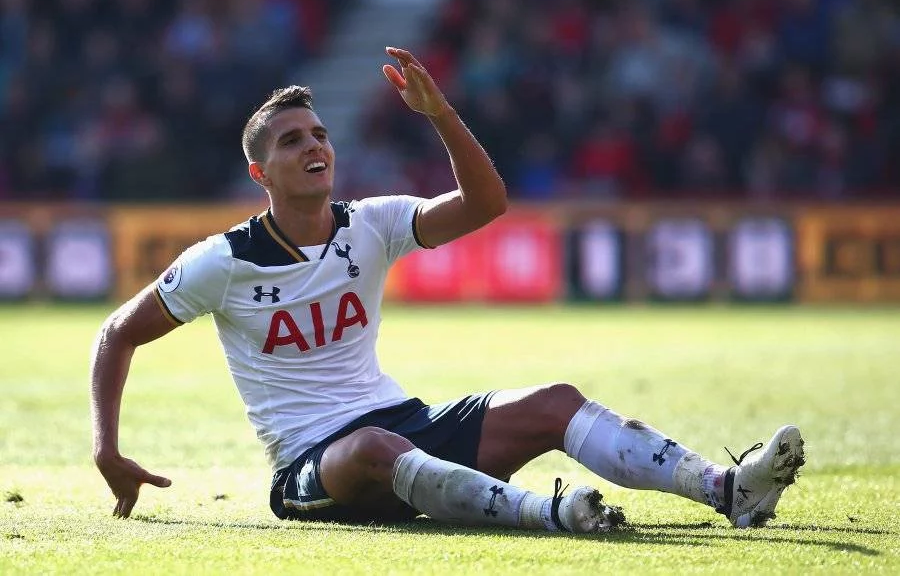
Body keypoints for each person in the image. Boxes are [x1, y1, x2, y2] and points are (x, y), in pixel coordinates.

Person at [90, 47, 805, 531]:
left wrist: (439, 114)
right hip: (316, 465)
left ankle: (726, 489)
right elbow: (117, 332)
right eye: (292, 140)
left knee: (555, 400)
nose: (314, 146)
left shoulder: (370, 223)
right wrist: (108, 449)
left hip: (406, 426)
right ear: (260, 174)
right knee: (371, 444)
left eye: (320, 134)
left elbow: (486, 203)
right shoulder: (223, 260)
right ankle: (550, 514)